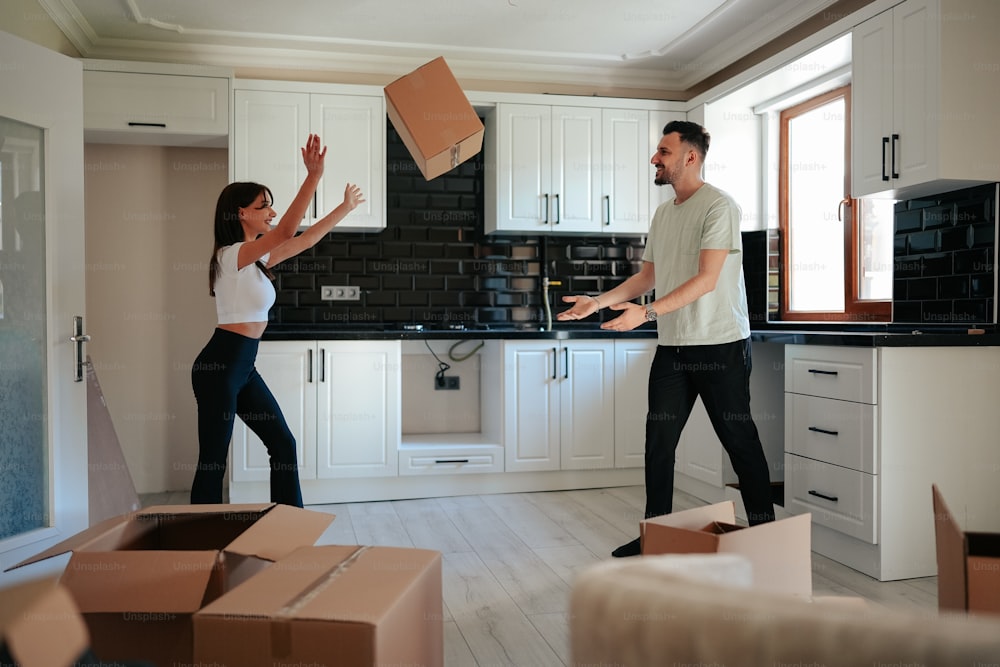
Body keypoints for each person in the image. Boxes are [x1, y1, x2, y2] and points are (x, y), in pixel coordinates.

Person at [558, 120, 774, 557]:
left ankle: (768, 539)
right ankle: (654, 535)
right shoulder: (664, 212)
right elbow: (648, 278)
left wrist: (649, 313)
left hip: (719, 344)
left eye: (663, 152)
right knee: (658, 443)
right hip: (674, 348)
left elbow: (708, 279)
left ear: (690, 156)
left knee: (740, 442)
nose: (655, 159)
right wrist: (598, 303)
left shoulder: (719, 207)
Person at [190, 134, 365, 507]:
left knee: (283, 443)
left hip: (243, 366)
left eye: (271, 206)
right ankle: (198, 545)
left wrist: (345, 207)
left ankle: (290, 525)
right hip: (220, 366)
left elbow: (303, 239)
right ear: (240, 212)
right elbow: (286, 230)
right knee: (212, 462)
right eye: (263, 206)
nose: (271, 211)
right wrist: (313, 176)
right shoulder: (231, 254)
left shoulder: (255, 259)